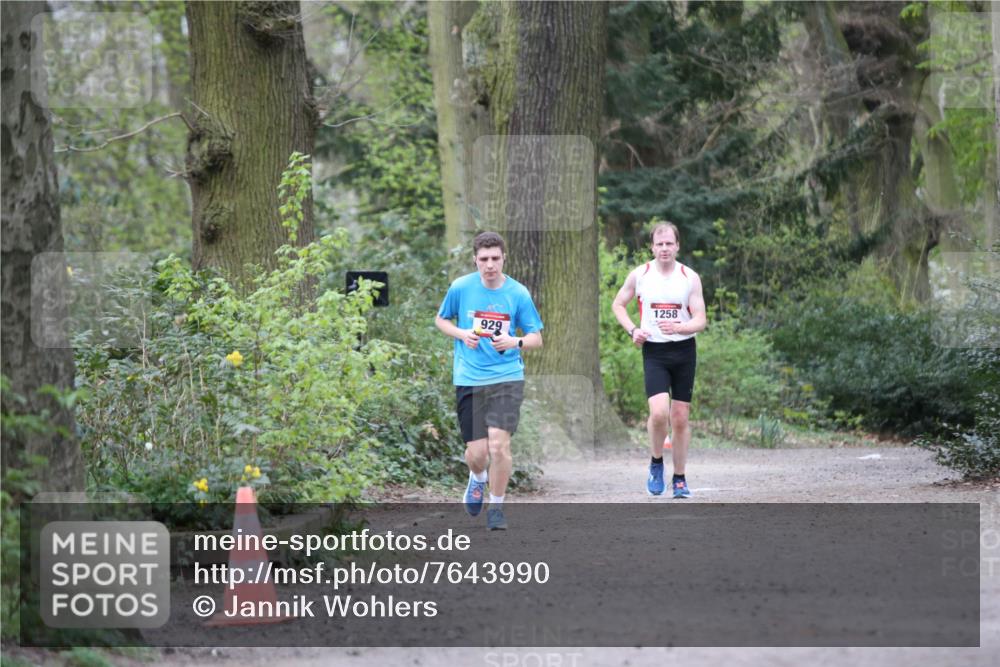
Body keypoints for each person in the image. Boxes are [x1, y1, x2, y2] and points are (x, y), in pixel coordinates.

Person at [435, 232, 543, 530]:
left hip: (507, 378)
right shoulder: (461, 287)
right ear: (475, 260)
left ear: (504, 258)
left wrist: (514, 341)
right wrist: (462, 333)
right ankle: (478, 478)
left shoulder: (518, 293)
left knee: (499, 446)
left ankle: (497, 507)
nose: (490, 265)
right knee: (477, 454)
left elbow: (536, 338)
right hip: (470, 378)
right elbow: (441, 319)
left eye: (495, 258)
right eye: (484, 259)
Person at [611, 222, 706, 498]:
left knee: (679, 417)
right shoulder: (640, 275)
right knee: (659, 413)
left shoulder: (690, 277)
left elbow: (700, 319)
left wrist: (681, 327)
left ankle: (679, 478)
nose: (664, 248)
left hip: (684, 350)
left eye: (669, 243)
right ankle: (655, 462)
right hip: (655, 351)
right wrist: (633, 330)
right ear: (652, 247)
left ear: (677, 246)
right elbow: (618, 305)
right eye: (659, 244)